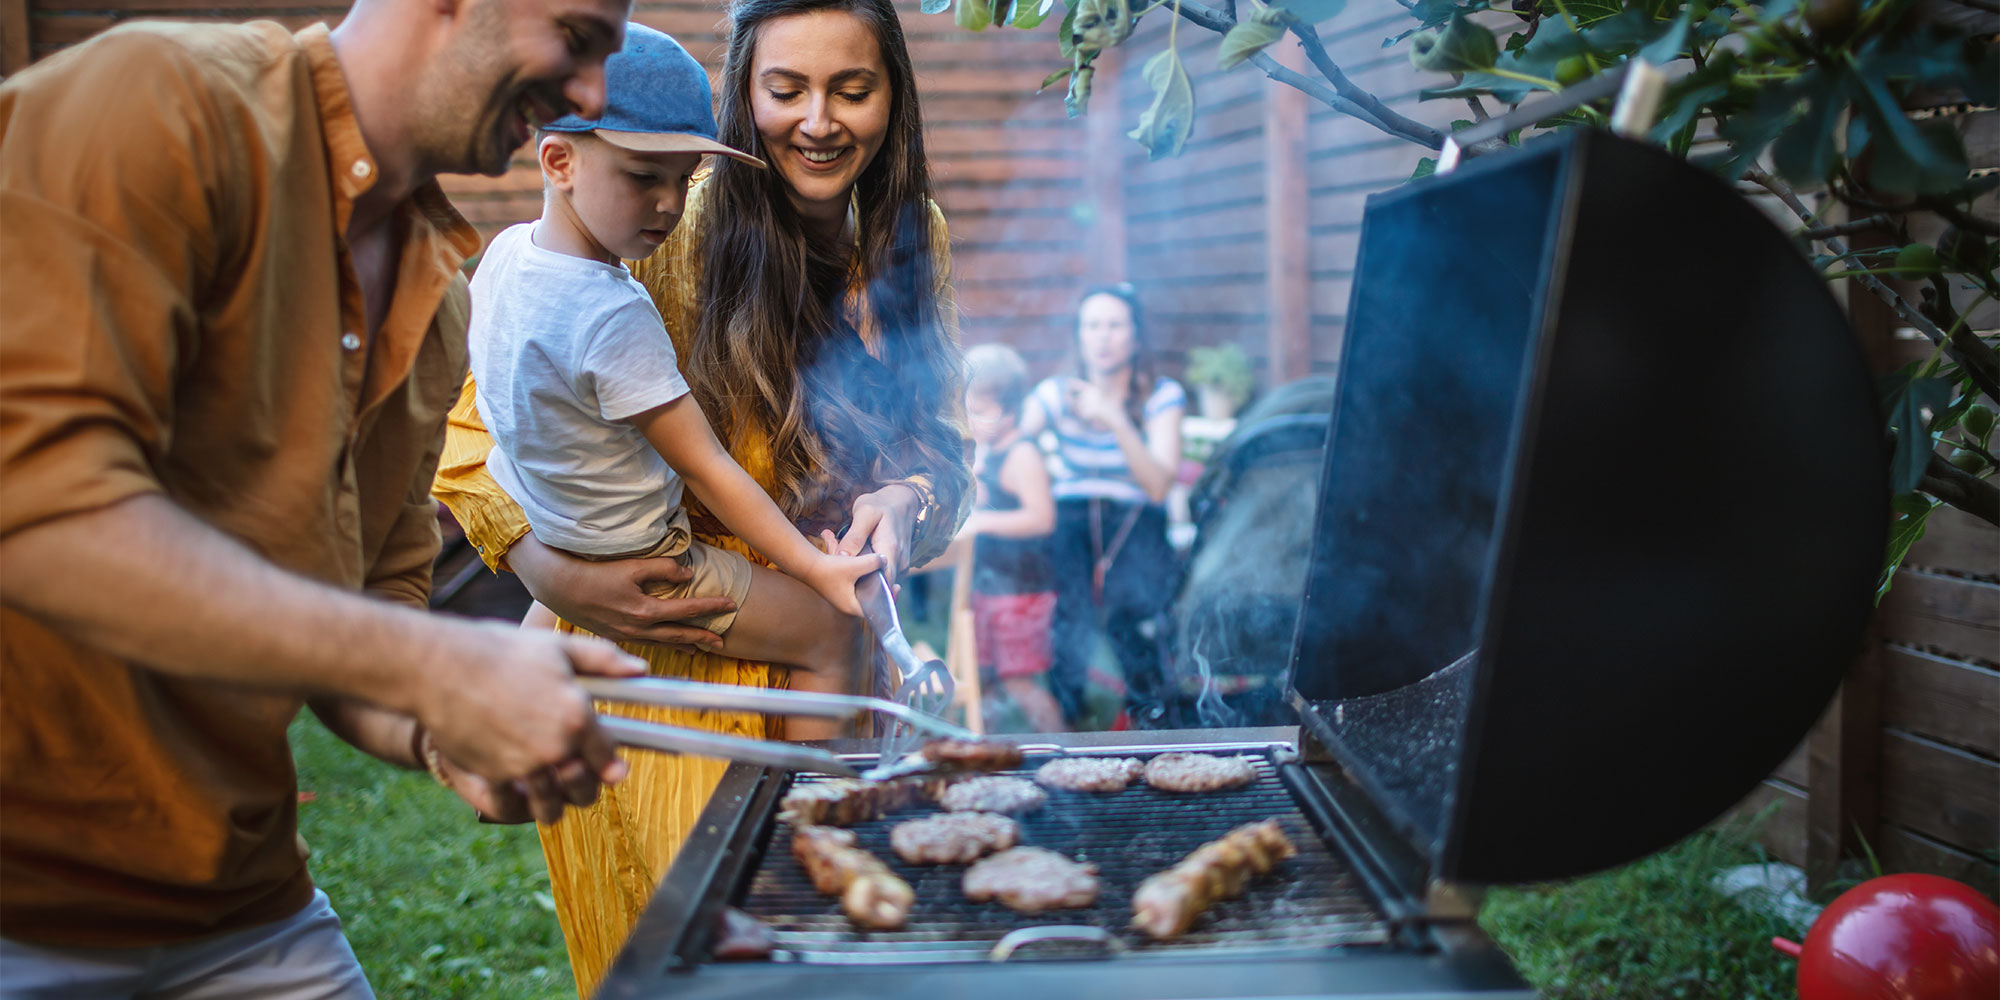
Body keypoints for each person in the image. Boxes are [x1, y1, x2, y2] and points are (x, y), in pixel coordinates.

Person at [0, 0, 718, 995]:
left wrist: (438, 726)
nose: (593, 94)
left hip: (246, 909)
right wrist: (430, 663)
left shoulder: (439, 291)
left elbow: (372, 601)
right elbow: (37, 505)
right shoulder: (159, 106)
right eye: (579, 37)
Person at [430, 0, 971, 989]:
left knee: (824, 957)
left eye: (852, 89)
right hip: (664, 677)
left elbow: (946, 448)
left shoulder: (911, 234)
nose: (818, 120)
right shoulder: (663, 219)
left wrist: (908, 502)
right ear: (740, 95)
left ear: (893, 96)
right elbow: (478, 432)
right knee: (681, 968)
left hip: (835, 666)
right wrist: (556, 571)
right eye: (784, 89)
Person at [471, 24, 882, 739]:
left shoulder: (505, 257)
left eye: (683, 176)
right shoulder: (612, 312)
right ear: (559, 160)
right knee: (831, 636)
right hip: (645, 557)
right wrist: (817, 574)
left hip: (553, 523)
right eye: (642, 176)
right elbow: (708, 468)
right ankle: (813, 815)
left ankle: (489, 735)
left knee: (549, 625)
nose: (668, 203)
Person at [1020, 284, 1186, 729]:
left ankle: (1153, 723)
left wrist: (1115, 419)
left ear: (1135, 336)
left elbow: (1157, 486)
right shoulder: (1056, 393)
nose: (1103, 336)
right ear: (1079, 334)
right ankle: (1070, 723)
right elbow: (1012, 438)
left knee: (1134, 616)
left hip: (1135, 517)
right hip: (1071, 514)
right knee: (1070, 619)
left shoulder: (1161, 395)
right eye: (1092, 325)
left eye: (1115, 325)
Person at [956, 344, 1064, 733]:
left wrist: (983, 522)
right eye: (969, 410)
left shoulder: (1022, 455)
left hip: (1022, 592)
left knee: (1019, 681)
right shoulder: (990, 450)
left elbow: (1041, 518)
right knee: (985, 676)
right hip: (990, 585)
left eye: (981, 413)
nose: (972, 420)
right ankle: (989, 751)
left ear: (1011, 410)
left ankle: (1066, 752)